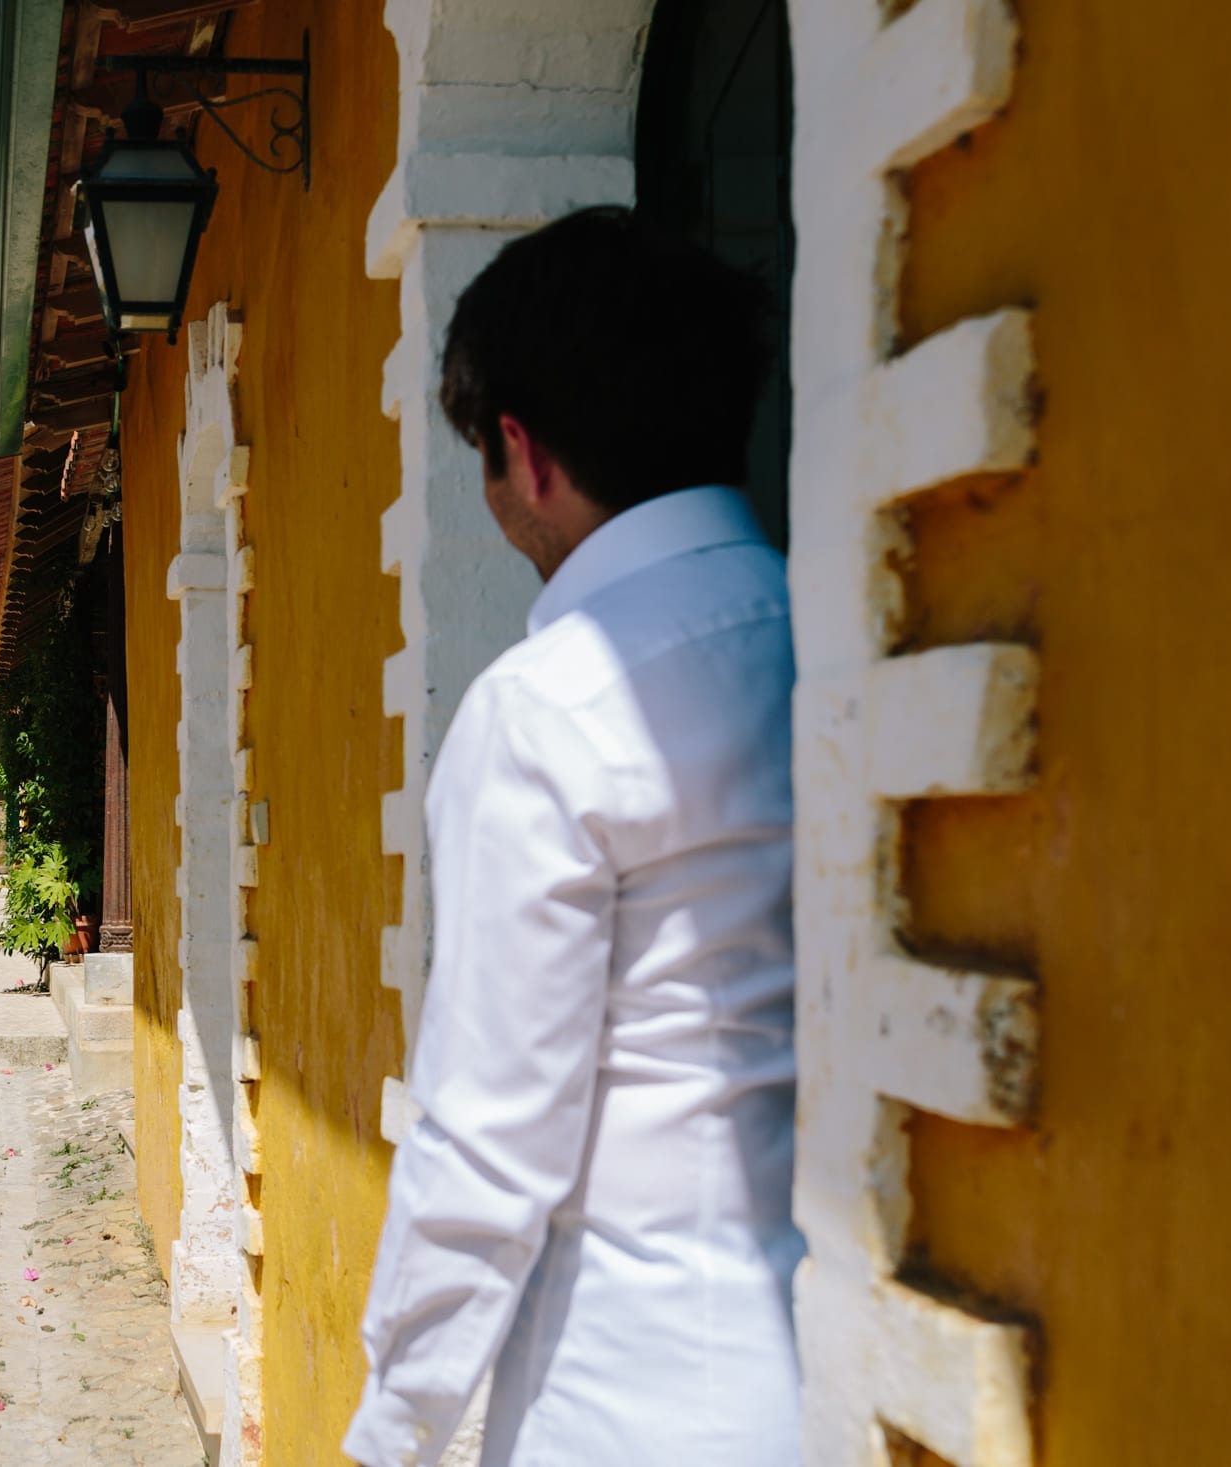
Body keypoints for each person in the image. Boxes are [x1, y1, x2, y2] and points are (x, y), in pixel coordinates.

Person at [344, 206, 802, 1466]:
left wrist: (394, 1433)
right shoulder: (846, 644)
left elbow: (489, 1142)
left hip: (635, 1393)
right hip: (847, 1373)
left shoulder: (549, 712)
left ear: (520, 451)